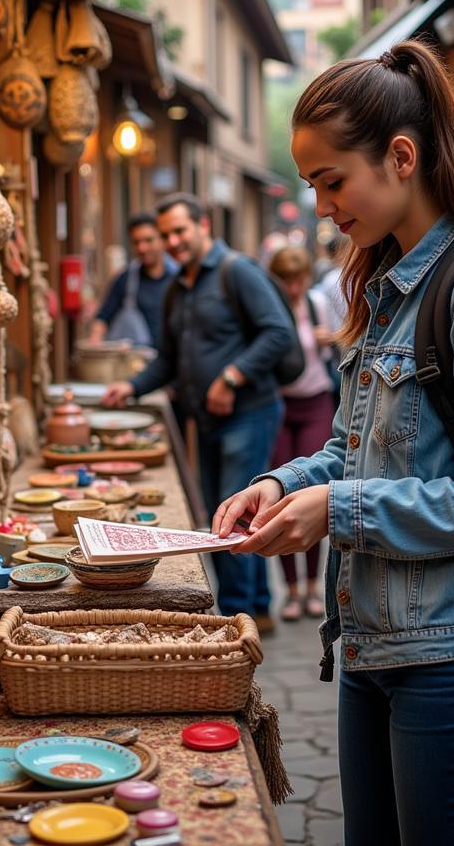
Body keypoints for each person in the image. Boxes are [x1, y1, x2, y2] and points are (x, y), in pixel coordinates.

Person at [211, 40, 454, 845]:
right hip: (373, 648)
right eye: (312, 186)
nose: (322, 206)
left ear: (401, 157)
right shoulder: (389, 285)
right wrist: (286, 481)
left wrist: (339, 508)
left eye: (333, 181)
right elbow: (354, 447)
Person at [101, 192, 294, 631]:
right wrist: (131, 386)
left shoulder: (237, 271)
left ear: (203, 225)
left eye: (179, 231)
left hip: (249, 413)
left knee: (232, 517)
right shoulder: (177, 287)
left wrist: (231, 377)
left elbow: (278, 332)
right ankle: (258, 606)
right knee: (223, 512)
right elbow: (168, 359)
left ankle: (237, 617)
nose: (172, 241)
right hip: (204, 421)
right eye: (166, 234)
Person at [267, 246, 335, 622]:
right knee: (280, 494)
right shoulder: (269, 305)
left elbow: (341, 343)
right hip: (280, 406)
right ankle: (290, 591)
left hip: (315, 401)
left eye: (299, 280)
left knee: (311, 493)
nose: (294, 289)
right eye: (287, 281)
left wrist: (331, 338)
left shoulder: (317, 302)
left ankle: (312, 587)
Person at [89, 212, 177, 349]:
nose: (142, 248)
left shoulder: (179, 277)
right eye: (136, 242)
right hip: (138, 363)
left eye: (148, 240)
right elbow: (103, 317)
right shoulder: (126, 279)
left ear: (162, 240)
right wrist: (95, 343)